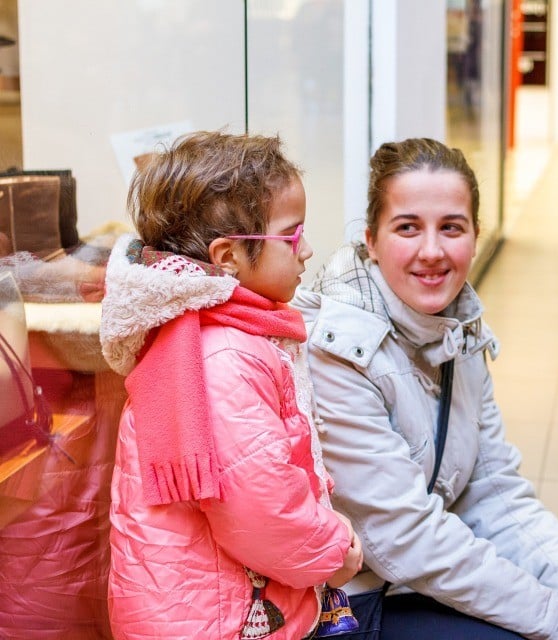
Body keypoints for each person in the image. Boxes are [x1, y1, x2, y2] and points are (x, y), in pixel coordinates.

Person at [292, 138, 558, 640]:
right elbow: (404, 538)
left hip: (409, 574)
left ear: (475, 236)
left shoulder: (456, 331)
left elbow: (493, 489)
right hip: (346, 603)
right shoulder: (335, 349)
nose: (432, 251)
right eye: (407, 228)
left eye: (451, 228)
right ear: (371, 242)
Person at [99, 131, 363, 639]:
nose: (306, 250)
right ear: (226, 258)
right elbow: (261, 509)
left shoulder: (209, 334)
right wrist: (333, 551)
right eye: (291, 235)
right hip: (220, 619)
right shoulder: (224, 357)